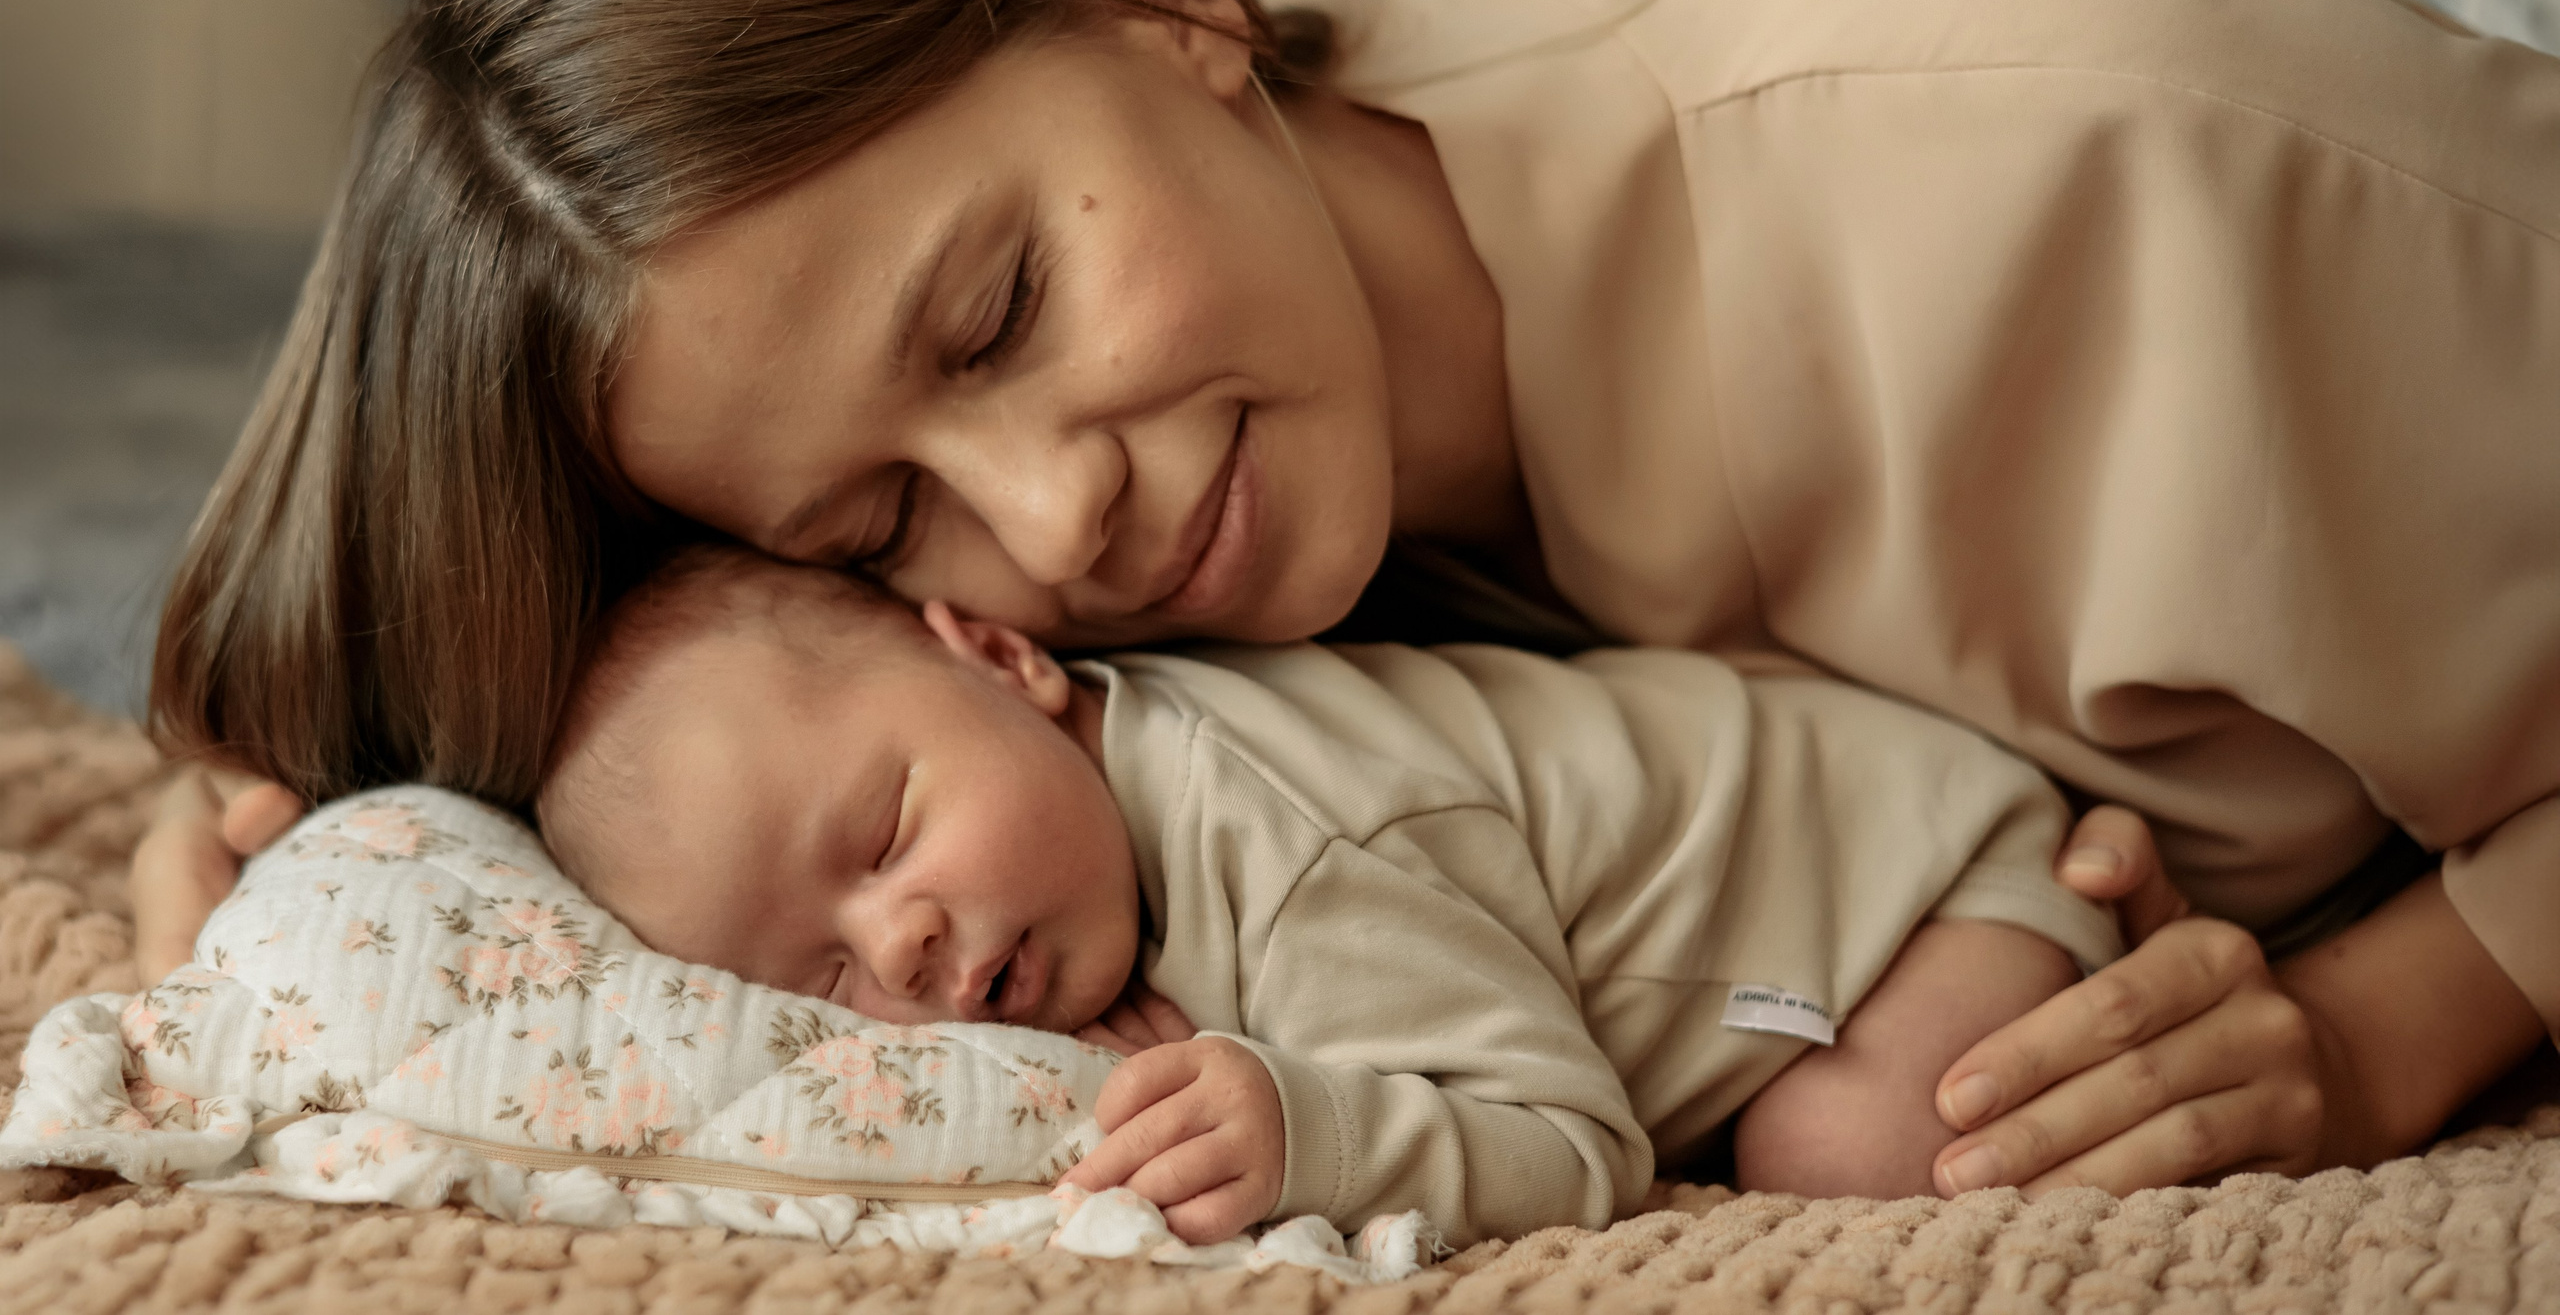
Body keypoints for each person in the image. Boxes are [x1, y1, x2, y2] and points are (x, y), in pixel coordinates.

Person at [131, 0, 2557, 1206]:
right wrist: (316, 868)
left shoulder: (2108, 154)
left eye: (994, 315)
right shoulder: (1105, 555)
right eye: (879, 531)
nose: (1050, 528)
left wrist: (2390, 1021)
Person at [533, 544, 2120, 1244]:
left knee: (1843, 1153)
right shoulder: (1080, 820)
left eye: (886, 830)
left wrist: (1315, 1129)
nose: (903, 944)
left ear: (1005, 656)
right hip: (1785, 865)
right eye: (821, 982)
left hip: (1921, 875)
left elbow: (1576, 1151)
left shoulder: (1293, 845)